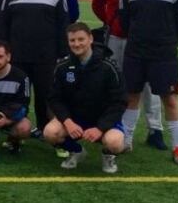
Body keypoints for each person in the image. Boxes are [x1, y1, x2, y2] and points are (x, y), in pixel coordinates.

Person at [118, 0, 178, 165]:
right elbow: (125, 22)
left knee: (170, 99)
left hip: (164, 56)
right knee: (131, 97)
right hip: (135, 54)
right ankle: (127, 140)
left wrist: (167, 44)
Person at [91, 0, 166, 150]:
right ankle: (113, 125)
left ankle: (155, 129)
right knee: (115, 82)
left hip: (142, 41)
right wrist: (110, 22)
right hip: (115, 39)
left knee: (150, 86)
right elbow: (97, 5)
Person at [0, 0, 68, 136]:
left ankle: (46, 130)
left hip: (46, 57)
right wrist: (4, 51)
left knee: (45, 96)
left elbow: (63, 26)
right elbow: (3, 24)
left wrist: (63, 54)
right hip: (18, 56)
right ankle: (14, 130)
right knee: (17, 95)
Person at [44, 23, 127, 173]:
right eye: (72, 40)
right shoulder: (62, 66)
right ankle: (76, 151)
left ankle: (108, 155)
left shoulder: (108, 67)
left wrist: (100, 127)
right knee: (50, 133)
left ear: (90, 39)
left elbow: (119, 102)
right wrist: (68, 122)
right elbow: (55, 98)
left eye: (81, 39)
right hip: (74, 119)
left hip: (102, 119)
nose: (76, 44)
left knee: (114, 142)